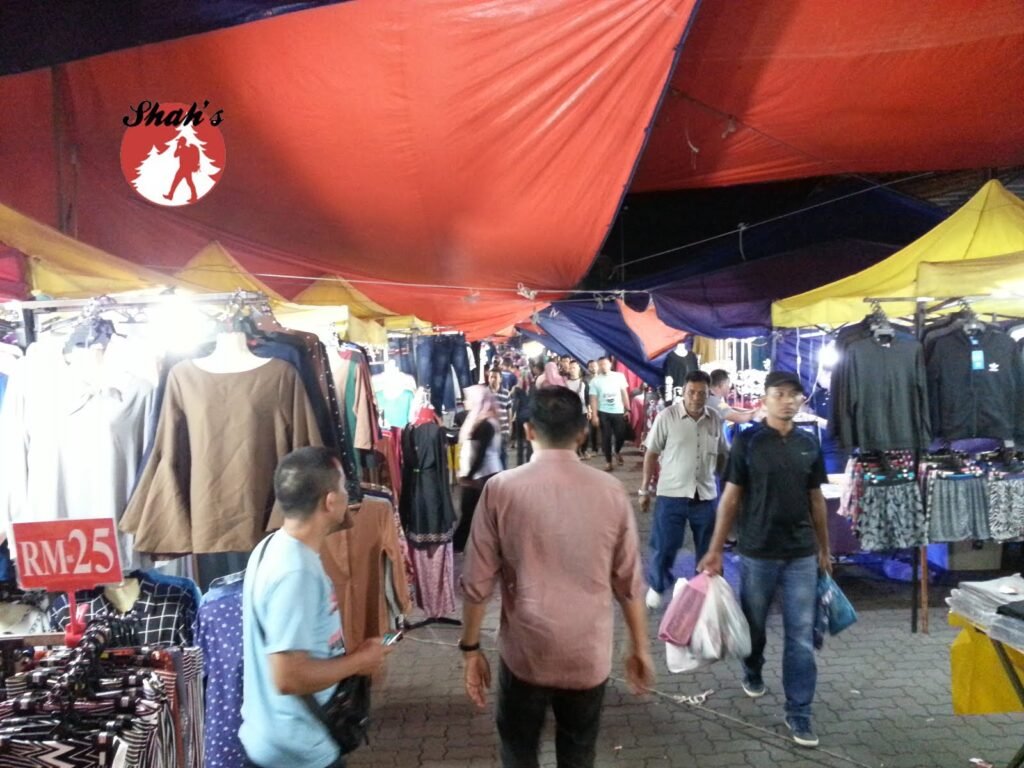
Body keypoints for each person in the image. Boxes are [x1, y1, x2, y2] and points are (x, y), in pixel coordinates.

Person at [460, 387, 654, 768]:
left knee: (518, 751)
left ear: (528, 430)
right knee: (578, 754)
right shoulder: (612, 491)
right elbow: (629, 582)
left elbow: (477, 582)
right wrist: (640, 647)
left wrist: (470, 649)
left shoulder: (501, 489)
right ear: (582, 432)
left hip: (525, 654)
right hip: (588, 654)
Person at [698, 371, 831, 749]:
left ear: (802, 400)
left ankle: (799, 712)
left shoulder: (809, 444)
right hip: (757, 552)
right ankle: (752, 667)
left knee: (800, 637)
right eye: (779, 394)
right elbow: (731, 498)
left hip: (801, 554)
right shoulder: (748, 441)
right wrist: (715, 549)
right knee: (754, 627)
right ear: (766, 399)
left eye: (794, 395)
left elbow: (816, 500)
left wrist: (824, 548)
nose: (787, 401)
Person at [240, 447, 392, 768]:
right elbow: (288, 676)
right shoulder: (297, 571)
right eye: (343, 486)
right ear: (329, 501)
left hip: (275, 739)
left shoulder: (270, 547)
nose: (347, 494)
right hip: (296, 751)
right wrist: (360, 661)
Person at [640, 371, 729, 609]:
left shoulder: (714, 419)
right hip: (672, 494)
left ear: (708, 394)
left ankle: (705, 589)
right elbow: (651, 454)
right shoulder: (667, 417)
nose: (696, 398)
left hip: (705, 495)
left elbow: (722, 454)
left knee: (708, 548)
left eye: (701, 393)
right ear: (683, 391)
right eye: (691, 392)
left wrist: (725, 485)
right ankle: (658, 584)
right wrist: (644, 490)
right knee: (664, 545)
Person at [453, 385, 504, 552]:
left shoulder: (486, 424)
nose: (465, 402)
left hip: (484, 474)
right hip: (481, 474)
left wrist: (469, 475)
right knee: (473, 512)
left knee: (471, 512)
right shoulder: (480, 420)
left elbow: (480, 453)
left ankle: (459, 545)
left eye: (468, 399)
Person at [588, 356, 630, 471]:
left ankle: (617, 451)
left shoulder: (619, 376)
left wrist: (628, 409)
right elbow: (593, 399)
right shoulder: (595, 381)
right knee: (606, 437)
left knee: (620, 435)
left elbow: (624, 393)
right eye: (601, 364)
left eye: (605, 364)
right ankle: (608, 461)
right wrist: (594, 415)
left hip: (618, 411)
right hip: (603, 412)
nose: (603, 366)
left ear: (610, 364)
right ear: (598, 366)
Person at [564, 360, 590, 458]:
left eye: (574, 368)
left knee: (585, 431)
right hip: (571, 412)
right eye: (570, 368)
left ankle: (584, 450)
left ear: (579, 369)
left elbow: (587, 396)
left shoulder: (584, 382)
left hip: (583, 411)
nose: (572, 370)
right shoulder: (566, 383)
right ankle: (576, 451)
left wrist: (589, 409)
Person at [488, 367, 513, 468]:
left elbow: (509, 412)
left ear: (500, 379)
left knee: (503, 458)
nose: (493, 379)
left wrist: (510, 427)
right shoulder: (485, 393)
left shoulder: (506, 393)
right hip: (489, 433)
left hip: (503, 432)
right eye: (491, 377)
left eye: (495, 377)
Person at [165, 136, 201, 202]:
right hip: (185, 169)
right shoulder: (185, 149)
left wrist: (177, 147)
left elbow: (175, 155)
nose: (178, 142)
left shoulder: (183, 149)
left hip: (184, 169)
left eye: (179, 141)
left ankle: (171, 195)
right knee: (187, 182)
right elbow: (175, 155)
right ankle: (194, 196)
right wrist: (178, 147)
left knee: (181, 182)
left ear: (182, 142)